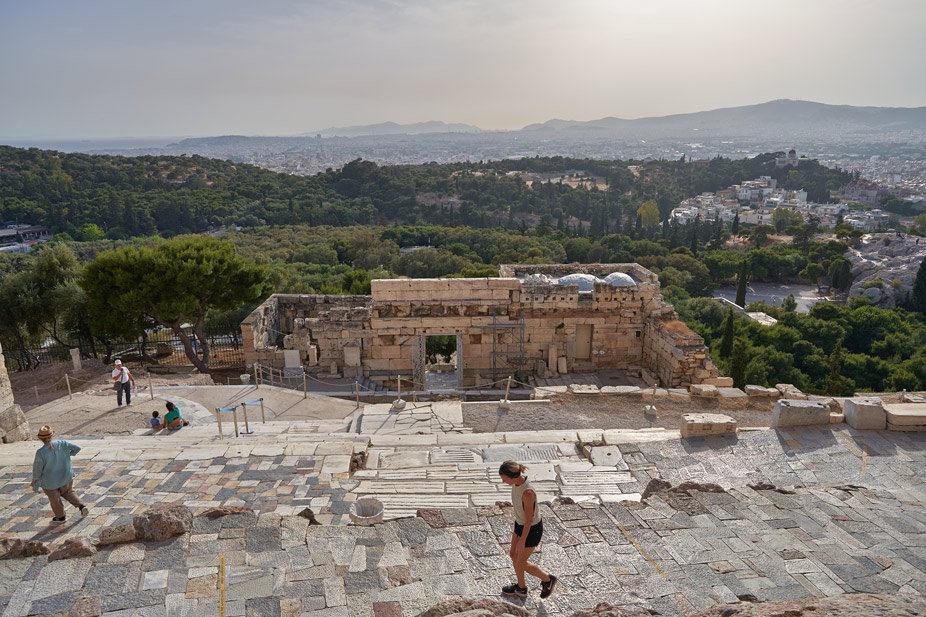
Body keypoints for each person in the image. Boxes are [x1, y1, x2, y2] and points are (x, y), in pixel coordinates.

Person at [498, 460, 557, 599]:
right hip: (520, 524)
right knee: (513, 555)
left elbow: (529, 519)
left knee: (521, 562)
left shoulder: (528, 493)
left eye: (504, 479)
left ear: (511, 477)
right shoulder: (516, 483)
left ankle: (548, 579)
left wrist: (522, 540)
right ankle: (521, 588)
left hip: (531, 530)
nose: (503, 482)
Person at [31, 425, 89, 523]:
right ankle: (82, 506)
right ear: (52, 435)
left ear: (40, 439)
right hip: (66, 477)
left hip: (50, 482)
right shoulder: (63, 443)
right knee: (68, 492)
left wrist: (34, 481)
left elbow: (37, 469)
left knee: (55, 499)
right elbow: (77, 448)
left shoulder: (40, 453)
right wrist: (67, 454)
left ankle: (61, 517)